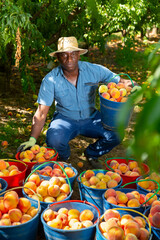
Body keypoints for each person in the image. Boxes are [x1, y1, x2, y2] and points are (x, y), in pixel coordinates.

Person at [17, 36, 140, 169]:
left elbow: (121, 81)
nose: (69, 59)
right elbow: (41, 113)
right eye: (64, 55)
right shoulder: (50, 80)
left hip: (91, 117)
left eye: (73, 54)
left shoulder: (93, 70)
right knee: (55, 139)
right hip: (65, 119)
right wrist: (32, 139)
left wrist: (135, 87)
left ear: (78, 55)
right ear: (58, 58)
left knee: (117, 133)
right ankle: (64, 158)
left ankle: (92, 153)